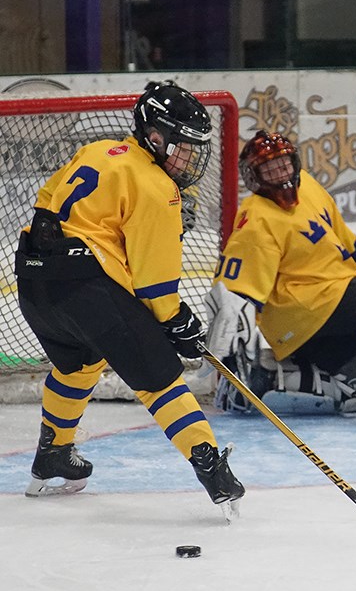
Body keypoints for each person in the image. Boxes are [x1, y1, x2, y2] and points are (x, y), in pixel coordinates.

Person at [14, 81, 244, 516]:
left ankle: (52, 454)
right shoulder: (158, 187)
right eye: (182, 146)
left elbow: (47, 202)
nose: (189, 157)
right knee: (159, 376)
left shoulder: (99, 150)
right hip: (82, 285)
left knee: (78, 364)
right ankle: (214, 472)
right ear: (154, 137)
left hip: (33, 278)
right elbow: (156, 285)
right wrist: (176, 323)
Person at [206, 131, 356, 428]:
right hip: (308, 306)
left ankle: (266, 377)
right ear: (253, 178)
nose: (281, 174)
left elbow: (342, 238)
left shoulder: (308, 185)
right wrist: (231, 348)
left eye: (284, 165)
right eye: (269, 170)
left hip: (319, 314)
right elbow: (237, 289)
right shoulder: (257, 219)